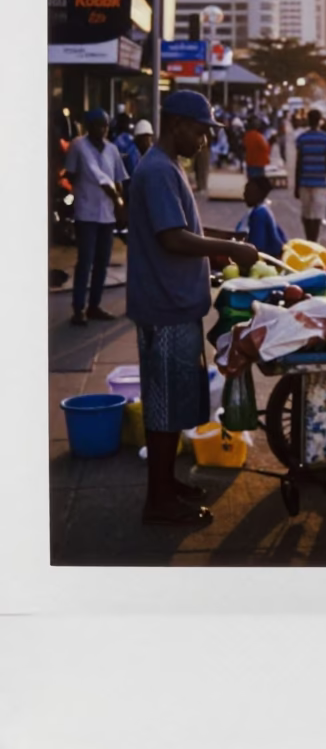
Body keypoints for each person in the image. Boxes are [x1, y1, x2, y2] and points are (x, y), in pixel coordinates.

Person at [126, 89, 258, 527]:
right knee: (164, 412)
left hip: (176, 304)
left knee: (176, 403)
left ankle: (166, 484)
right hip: (164, 307)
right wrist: (228, 249)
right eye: (201, 131)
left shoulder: (169, 168)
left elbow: (189, 227)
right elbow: (173, 238)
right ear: (178, 124)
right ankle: (158, 501)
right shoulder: (160, 170)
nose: (205, 140)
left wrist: (230, 241)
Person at [64, 108, 127, 326]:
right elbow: (70, 173)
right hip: (86, 211)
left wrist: (120, 206)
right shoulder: (78, 146)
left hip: (107, 214)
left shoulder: (112, 149)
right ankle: (78, 308)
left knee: (102, 262)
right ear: (88, 127)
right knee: (85, 261)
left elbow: (118, 179)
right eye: (97, 125)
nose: (102, 129)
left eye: (105, 126)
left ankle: (94, 305)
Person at [294, 108, 326, 243]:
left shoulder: (302, 139)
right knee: (317, 216)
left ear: (307, 120)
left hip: (304, 182)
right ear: (320, 121)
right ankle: (314, 241)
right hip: (320, 183)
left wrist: (296, 185)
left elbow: (298, 164)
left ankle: (308, 239)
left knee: (306, 215)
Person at [235, 175, 287, 259]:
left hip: (269, 258)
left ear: (259, 194)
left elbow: (257, 247)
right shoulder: (261, 209)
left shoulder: (259, 213)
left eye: (248, 191)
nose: (244, 195)